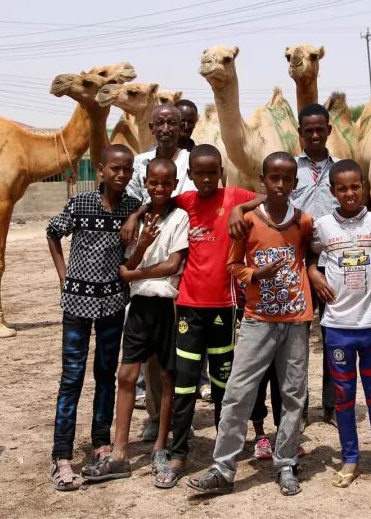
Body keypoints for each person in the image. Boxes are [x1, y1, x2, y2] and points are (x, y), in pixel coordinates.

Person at [125, 144, 257, 484]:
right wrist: (135, 215)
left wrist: (240, 208)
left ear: (221, 173)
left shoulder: (233, 196)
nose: (207, 179)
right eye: (200, 173)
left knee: (222, 383)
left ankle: (224, 450)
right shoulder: (185, 202)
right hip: (188, 308)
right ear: (191, 175)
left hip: (224, 308)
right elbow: (157, 200)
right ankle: (179, 453)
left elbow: (265, 197)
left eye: (213, 172)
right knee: (184, 384)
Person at [187, 152, 314, 497]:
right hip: (258, 320)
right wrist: (256, 274)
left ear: (295, 183)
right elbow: (233, 265)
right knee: (237, 392)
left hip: (296, 320)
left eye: (287, 179)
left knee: (293, 395)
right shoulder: (247, 221)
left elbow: (311, 258)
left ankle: (286, 462)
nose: (280, 184)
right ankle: (223, 468)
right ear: (262, 181)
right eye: (274, 178)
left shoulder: (304, 222)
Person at [230, 103, 339, 425]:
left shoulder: (341, 168)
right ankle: (297, 410)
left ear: (329, 130)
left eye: (320, 130)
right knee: (296, 340)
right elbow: (265, 197)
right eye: (309, 131)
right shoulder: (289, 168)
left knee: (332, 335)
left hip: (333, 262)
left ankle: (332, 406)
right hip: (294, 265)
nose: (315, 135)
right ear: (300, 133)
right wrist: (239, 209)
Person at [86, 158, 189, 488]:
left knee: (167, 375)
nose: (159, 188)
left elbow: (173, 264)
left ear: (175, 184)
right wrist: (142, 246)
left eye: (166, 183)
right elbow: (126, 265)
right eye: (153, 182)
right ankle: (120, 451)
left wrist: (134, 273)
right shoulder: (137, 219)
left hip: (168, 306)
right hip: (140, 307)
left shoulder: (180, 218)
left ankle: (160, 445)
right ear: (145, 182)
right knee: (126, 375)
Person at [46, 144, 141, 490]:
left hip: (113, 303)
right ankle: (61, 455)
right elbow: (53, 232)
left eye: (127, 169)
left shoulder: (132, 206)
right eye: (115, 168)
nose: (121, 174)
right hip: (77, 303)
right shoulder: (80, 203)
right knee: (71, 377)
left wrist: (135, 215)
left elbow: (153, 205)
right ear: (101, 170)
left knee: (105, 374)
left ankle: (101, 442)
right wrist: (63, 276)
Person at [308, 159, 371, 490]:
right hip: (337, 327)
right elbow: (310, 255)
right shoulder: (322, 226)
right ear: (333, 191)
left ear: (363, 186)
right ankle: (349, 458)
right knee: (344, 397)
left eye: (355, 187)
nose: (350, 193)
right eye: (342, 188)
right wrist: (314, 273)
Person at [125, 104, 192, 444]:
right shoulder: (140, 163)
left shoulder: (193, 162)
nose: (166, 128)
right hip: (151, 260)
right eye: (160, 123)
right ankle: (155, 415)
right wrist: (135, 216)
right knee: (154, 356)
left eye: (172, 123)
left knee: (183, 350)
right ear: (151, 127)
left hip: (188, 260)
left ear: (182, 127)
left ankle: (181, 415)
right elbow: (135, 202)